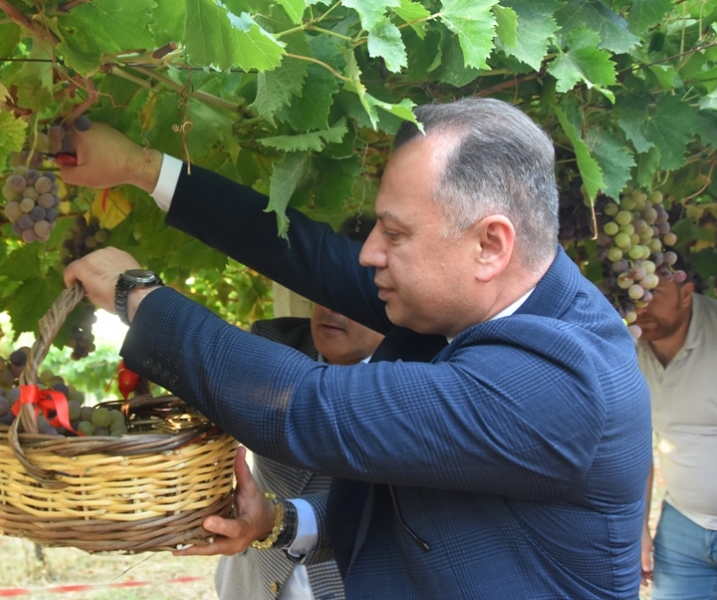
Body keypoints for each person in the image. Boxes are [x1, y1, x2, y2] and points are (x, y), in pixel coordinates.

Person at [58, 97, 652, 598]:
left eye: (395, 233)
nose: (370, 252)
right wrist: (140, 167)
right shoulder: (486, 298)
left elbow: (309, 408)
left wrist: (140, 298)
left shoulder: (562, 382)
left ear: (489, 245)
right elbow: (312, 257)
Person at [216, 216, 384, 600]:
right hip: (251, 585)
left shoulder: (424, 381)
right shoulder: (273, 344)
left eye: (353, 291)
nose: (332, 305)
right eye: (325, 285)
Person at [635, 257, 717, 600]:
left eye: (653, 292)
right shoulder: (628, 346)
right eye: (635, 293)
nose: (641, 306)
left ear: (686, 294)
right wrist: (639, 528)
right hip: (683, 526)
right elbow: (636, 444)